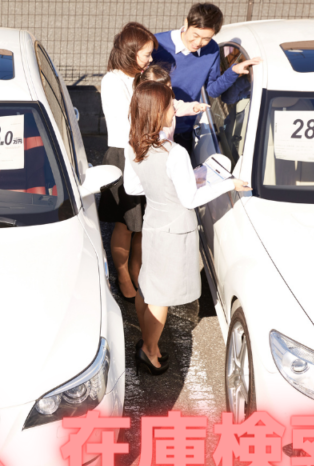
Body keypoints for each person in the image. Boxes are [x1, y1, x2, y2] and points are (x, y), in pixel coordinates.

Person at [123, 81, 250, 375]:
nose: (175, 110)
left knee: (148, 286)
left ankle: (147, 341)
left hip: (153, 223)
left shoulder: (134, 145)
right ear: (157, 111)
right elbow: (190, 199)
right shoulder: (174, 152)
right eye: (170, 105)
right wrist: (228, 184)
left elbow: (132, 187)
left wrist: (167, 185)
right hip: (175, 231)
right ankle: (149, 350)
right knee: (161, 297)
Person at [99, 23, 210, 301]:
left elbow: (161, 105)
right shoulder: (113, 81)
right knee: (126, 223)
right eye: (146, 54)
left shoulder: (140, 77)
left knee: (142, 222)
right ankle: (122, 275)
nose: (150, 59)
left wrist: (182, 108)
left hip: (148, 151)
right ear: (130, 51)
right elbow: (132, 121)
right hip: (127, 154)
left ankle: (137, 272)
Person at [151, 2, 261, 153]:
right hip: (153, 127)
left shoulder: (212, 49)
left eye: (206, 38)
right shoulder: (158, 44)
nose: (198, 43)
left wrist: (233, 71)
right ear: (186, 23)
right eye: (195, 35)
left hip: (184, 128)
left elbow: (213, 90)